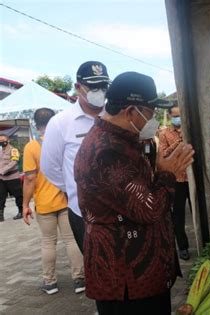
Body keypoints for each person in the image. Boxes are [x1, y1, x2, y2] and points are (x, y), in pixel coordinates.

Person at [74, 71, 194, 314]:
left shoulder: (124, 139)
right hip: (127, 279)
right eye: (150, 114)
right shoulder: (106, 150)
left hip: (143, 273)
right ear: (130, 112)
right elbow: (149, 208)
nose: (154, 122)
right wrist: (167, 173)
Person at [41, 61, 110, 252]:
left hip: (118, 210)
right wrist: (75, 188)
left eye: (103, 86)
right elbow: (50, 167)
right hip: (83, 213)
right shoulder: (60, 123)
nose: (99, 91)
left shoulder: (115, 116)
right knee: (97, 269)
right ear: (78, 87)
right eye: (93, 86)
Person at [22, 108, 85, 295]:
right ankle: (79, 279)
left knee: (48, 242)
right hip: (66, 201)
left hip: (44, 203)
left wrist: (25, 204)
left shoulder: (31, 147)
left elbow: (30, 178)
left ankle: (50, 283)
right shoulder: (62, 141)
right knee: (71, 240)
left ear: (35, 124)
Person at [159, 103, 191, 261]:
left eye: (180, 115)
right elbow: (163, 154)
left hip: (192, 178)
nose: (178, 118)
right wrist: (177, 145)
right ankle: (183, 247)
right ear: (170, 116)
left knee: (200, 209)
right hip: (177, 179)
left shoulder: (190, 130)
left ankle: (206, 241)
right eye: (175, 115)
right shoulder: (164, 134)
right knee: (178, 215)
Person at [0, 134, 23, 221]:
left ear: (8, 140)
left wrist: (2, 170)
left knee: (18, 196)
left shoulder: (14, 150)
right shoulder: (0, 151)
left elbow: (14, 162)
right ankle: (1, 215)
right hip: (2, 179)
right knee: (1, 196)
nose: (1, 142)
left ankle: (21, 211)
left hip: (13, 177)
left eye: (3, 140)